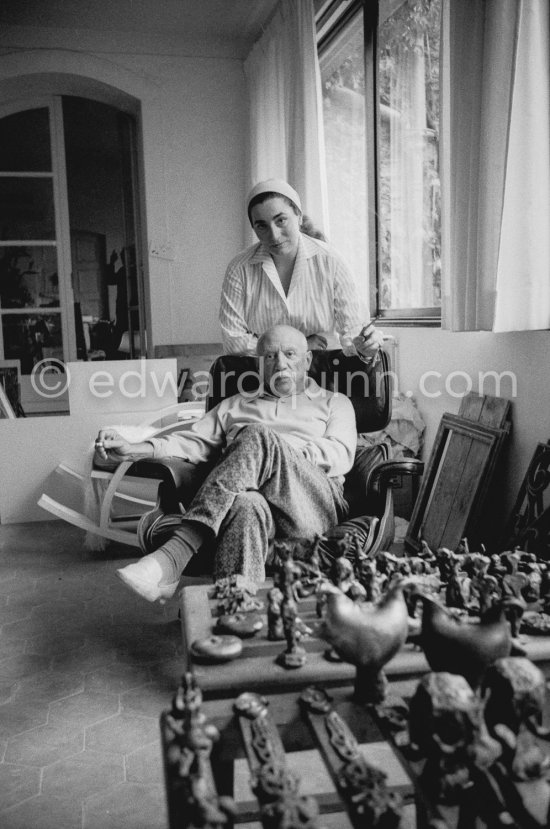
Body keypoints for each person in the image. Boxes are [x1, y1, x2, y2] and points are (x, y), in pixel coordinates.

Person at [94, 324, 356, 602]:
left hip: (312, 508)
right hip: (253, 506)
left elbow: (340, 453)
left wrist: (273, 452)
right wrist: (133, 449)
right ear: (258, 364)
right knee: (245, 503)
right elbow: (191, 442)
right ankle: (236, 610)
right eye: (269, 357)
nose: (280, 363)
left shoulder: (334, 402)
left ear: (308, 360)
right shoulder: (234, 405)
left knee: (256, 436)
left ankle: (175, 554)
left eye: (290, 354)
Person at [219, 177, 383, 360]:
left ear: (298, 216)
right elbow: (233, 342)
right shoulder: (239, 269)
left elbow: (354, 338)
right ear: (253, 227)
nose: (274, 235)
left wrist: (366, 346)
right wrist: (302, 345)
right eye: (261, 225)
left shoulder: (332, 262)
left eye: (281, 220)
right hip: (264, 371)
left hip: (322, 368)